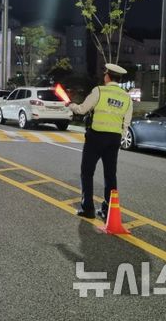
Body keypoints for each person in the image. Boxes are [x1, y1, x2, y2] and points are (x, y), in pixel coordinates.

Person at [66, 63, 133, 220]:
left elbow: (82, 109)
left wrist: (71, 105)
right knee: (110, 175)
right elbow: (127, 122)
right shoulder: (126, 97)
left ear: (107, 76)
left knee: (87, 172)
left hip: (96, 137)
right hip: (114, 139)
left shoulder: (99, 91)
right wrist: (120, 137)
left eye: (105, 74)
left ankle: (88, 209)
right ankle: (108, 210)